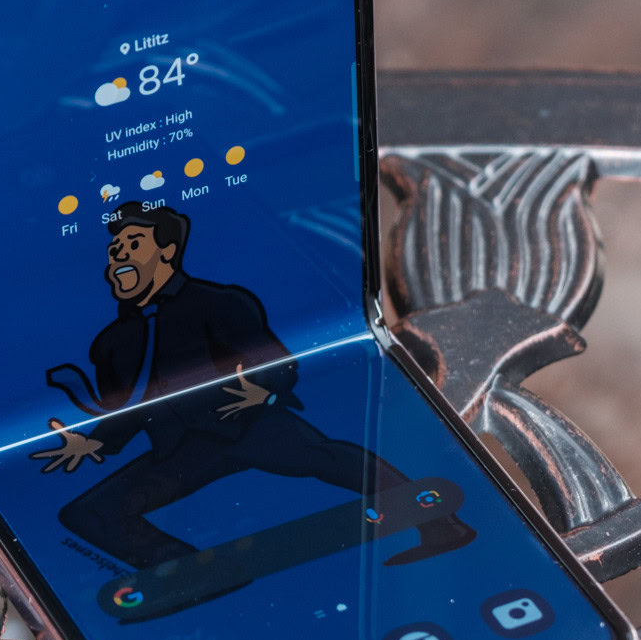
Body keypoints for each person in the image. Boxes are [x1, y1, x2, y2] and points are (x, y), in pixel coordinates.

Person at [35, 202, 476, 569]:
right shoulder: (114, 341)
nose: (120, 255)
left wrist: (265, 392)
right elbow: (135, 405)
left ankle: (441, 523)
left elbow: (277, 361)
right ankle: (195, 576)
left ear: (166, 251)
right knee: (88, 513)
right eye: (115, 249)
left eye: (133, 244)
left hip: (246, 422)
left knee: (330, 458)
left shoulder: (218, 302)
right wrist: (96, 442)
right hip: (182, 449)